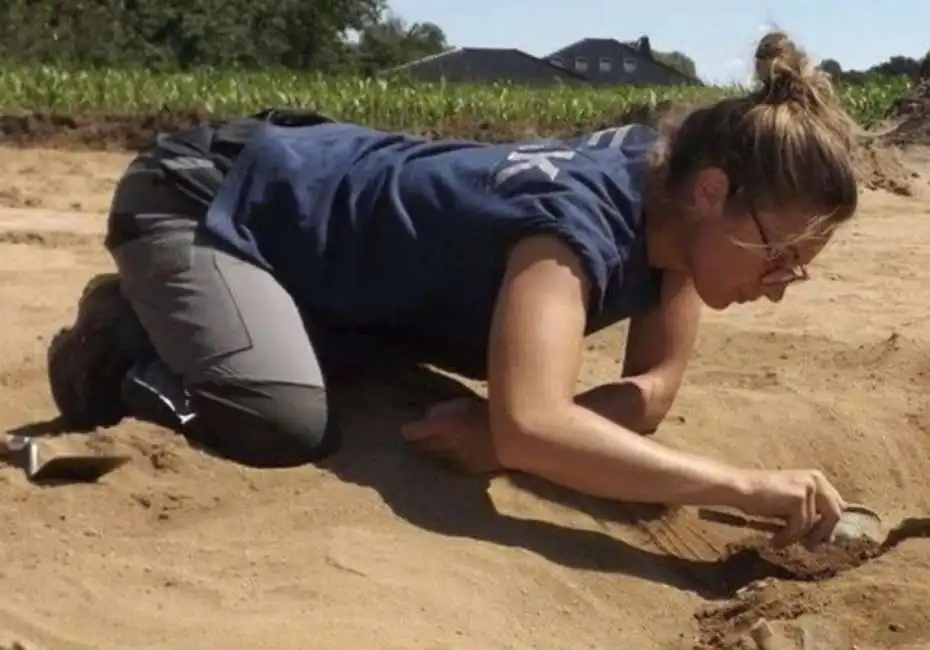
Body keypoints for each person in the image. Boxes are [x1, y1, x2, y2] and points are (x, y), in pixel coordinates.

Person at [48, 31, 859, 549]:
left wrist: (506, 429)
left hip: (313, 227)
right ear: (715, 191)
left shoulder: (670, 201)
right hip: (211, 196)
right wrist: (744, 487)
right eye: (780, 255)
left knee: (371, 371)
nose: (781, 286)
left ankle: (255, 323)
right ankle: (120, 344)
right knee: (281, 421)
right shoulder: (572, 231)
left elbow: (649, 393)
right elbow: (538, 423)